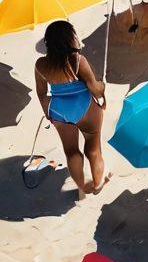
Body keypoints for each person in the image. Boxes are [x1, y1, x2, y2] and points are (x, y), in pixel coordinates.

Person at [33, 20, 109, 195]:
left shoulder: (41, 64)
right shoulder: (77, 60)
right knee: (93, 148)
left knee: (71, 151)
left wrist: (49, 114)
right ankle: (97, 185)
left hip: (59, 109)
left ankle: (83, 186)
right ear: (70, 38)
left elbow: (42, 93)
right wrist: (102, 89)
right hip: (84, 106)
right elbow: (93, 88)